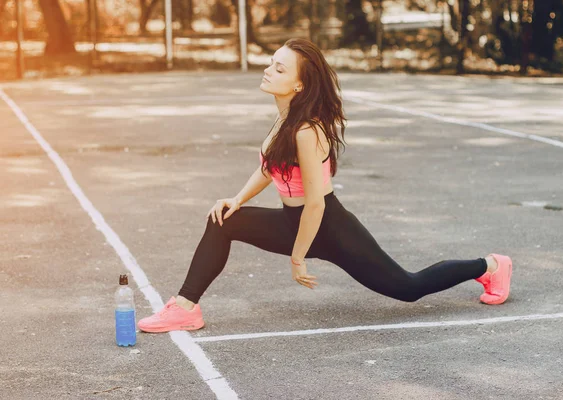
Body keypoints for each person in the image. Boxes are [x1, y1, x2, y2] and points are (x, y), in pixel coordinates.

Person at [137, 38, 513, 333]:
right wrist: (236, 199)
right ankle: (185, 308)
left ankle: (491, 265)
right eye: (271, 62)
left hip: (329, 228)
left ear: (299, 84)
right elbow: (270, 169)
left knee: (408, 288)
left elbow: (315, 205)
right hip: (292, 220)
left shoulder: (307, 130)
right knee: (223, 219)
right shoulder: (285, 117)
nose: (268, 70)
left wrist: (298, 256)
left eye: (278, 68)